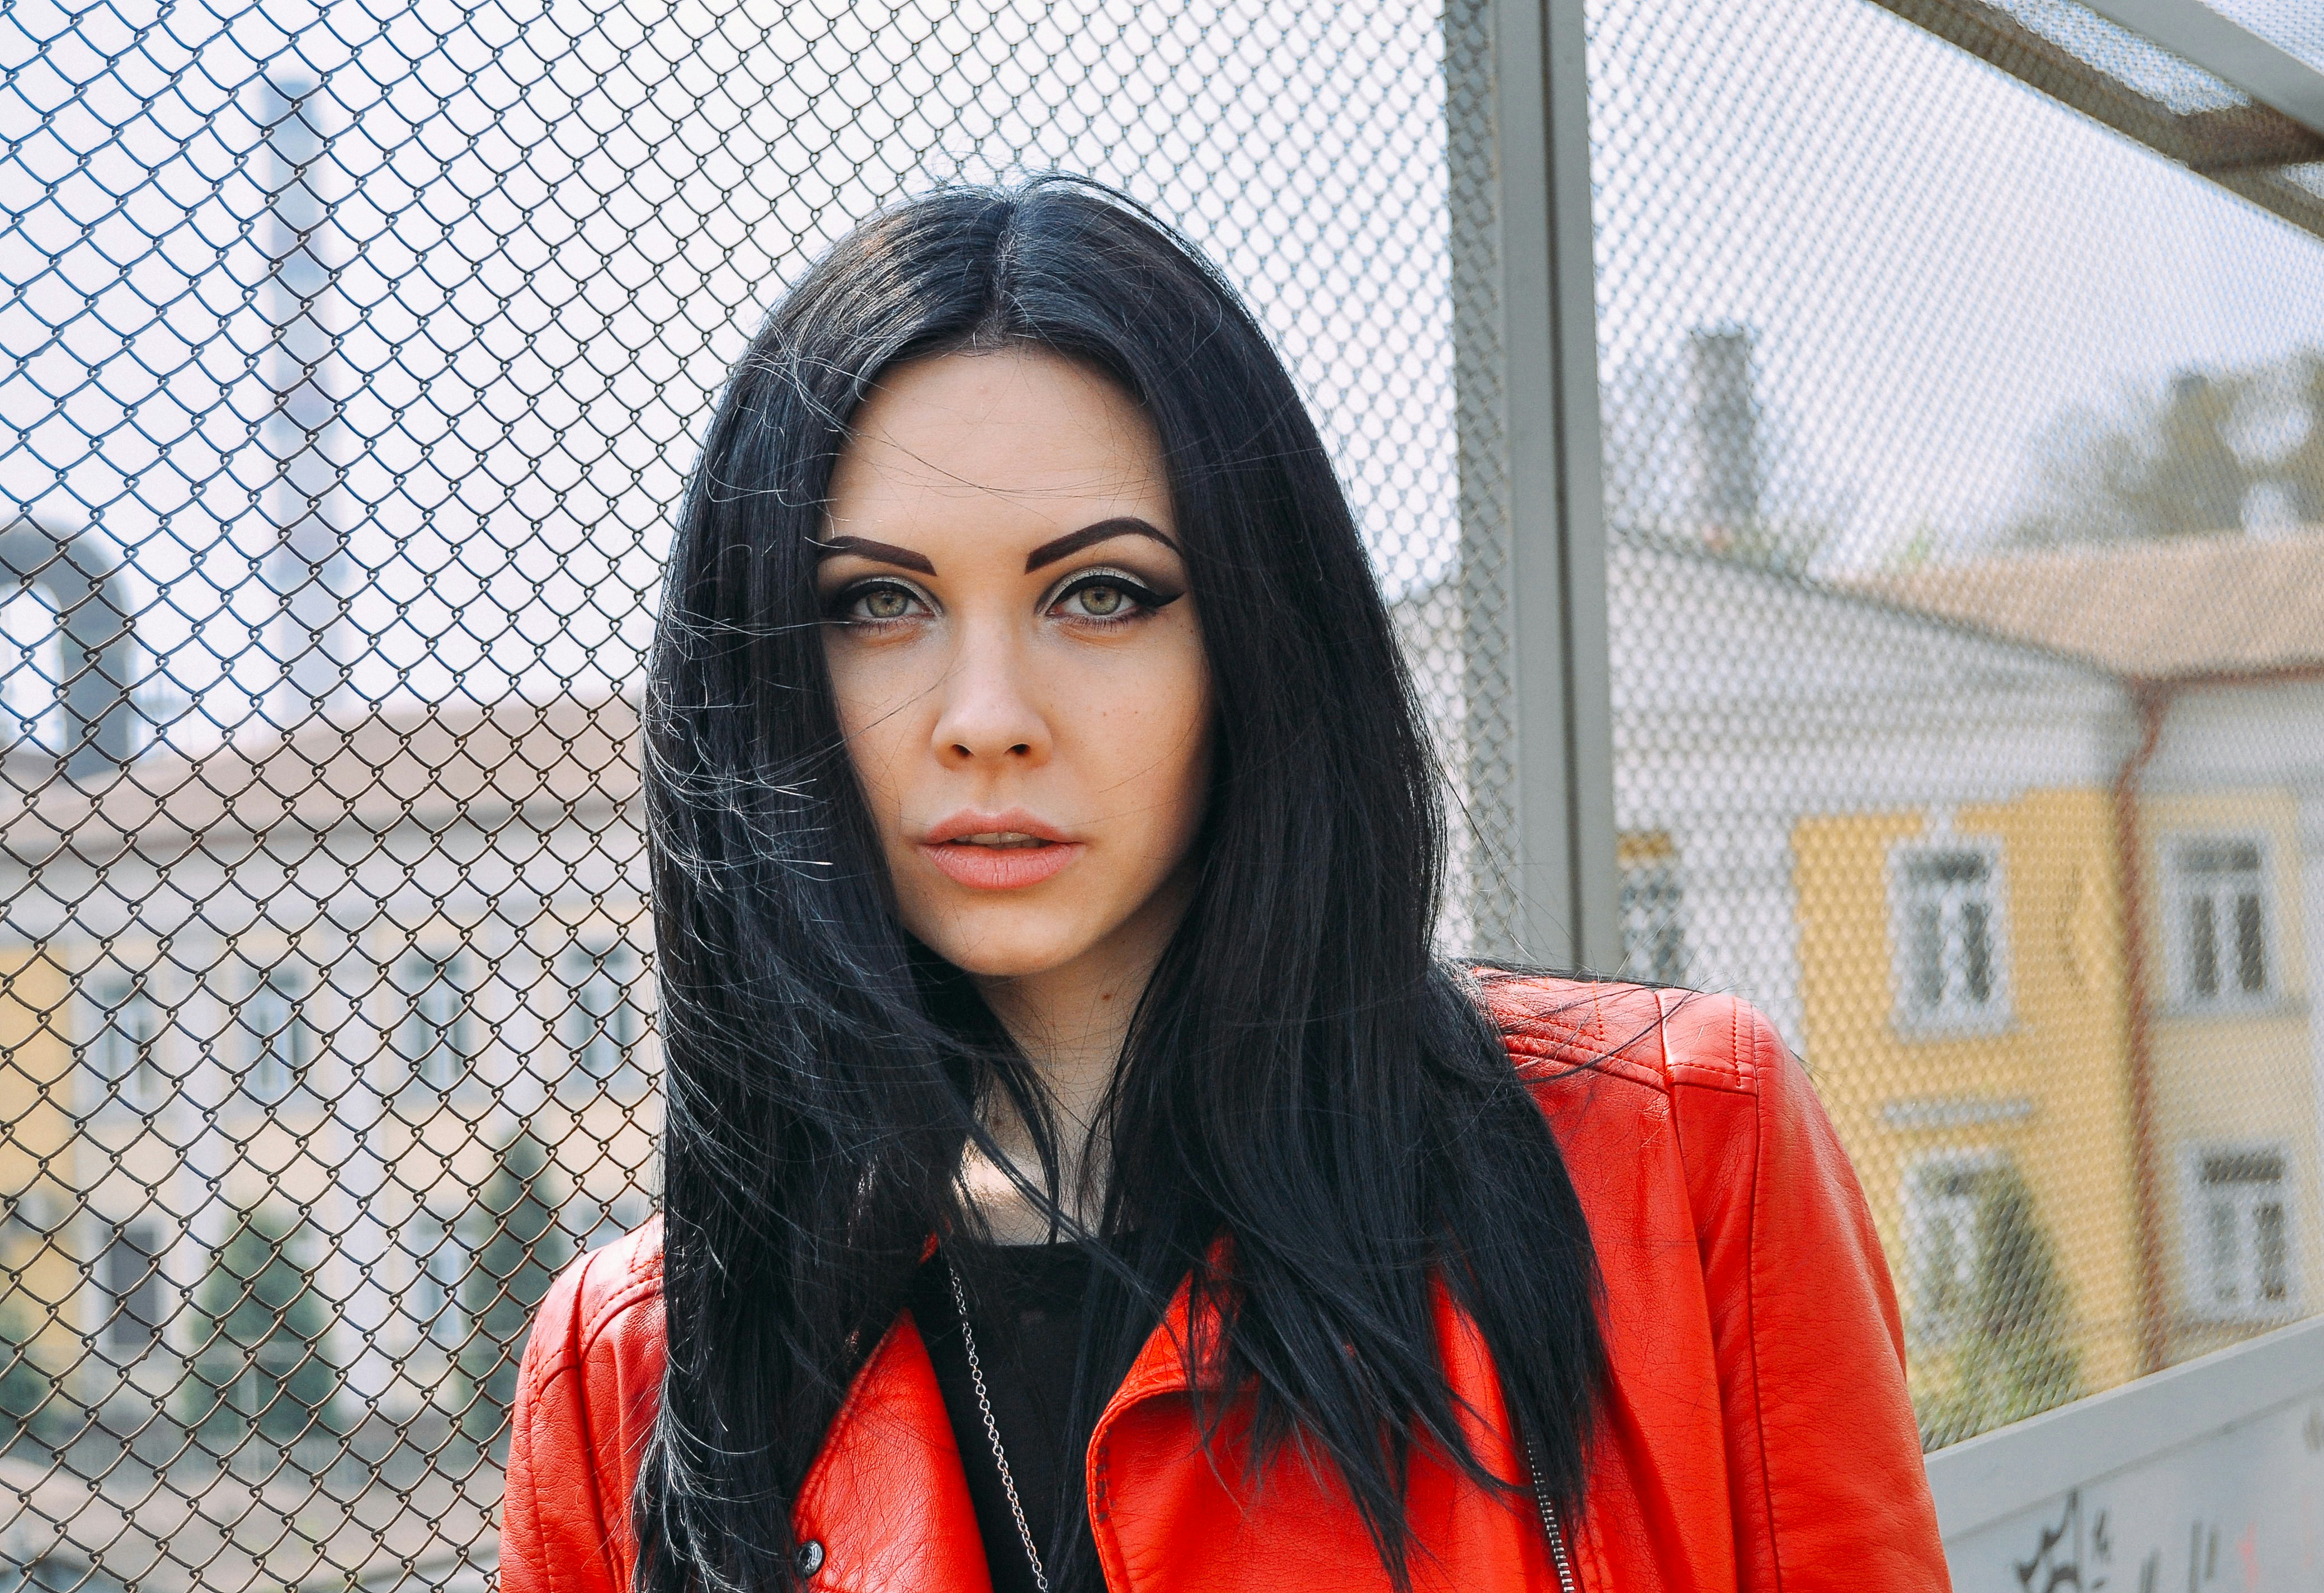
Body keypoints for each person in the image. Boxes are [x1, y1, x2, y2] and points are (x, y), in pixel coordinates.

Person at [498, 178, 1949, 1593]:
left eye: (1101, 593)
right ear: (763, 667)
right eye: (881, 604)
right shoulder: (626, 1367)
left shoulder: (1678, 1152)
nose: (986, 713)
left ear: (1257, 636)